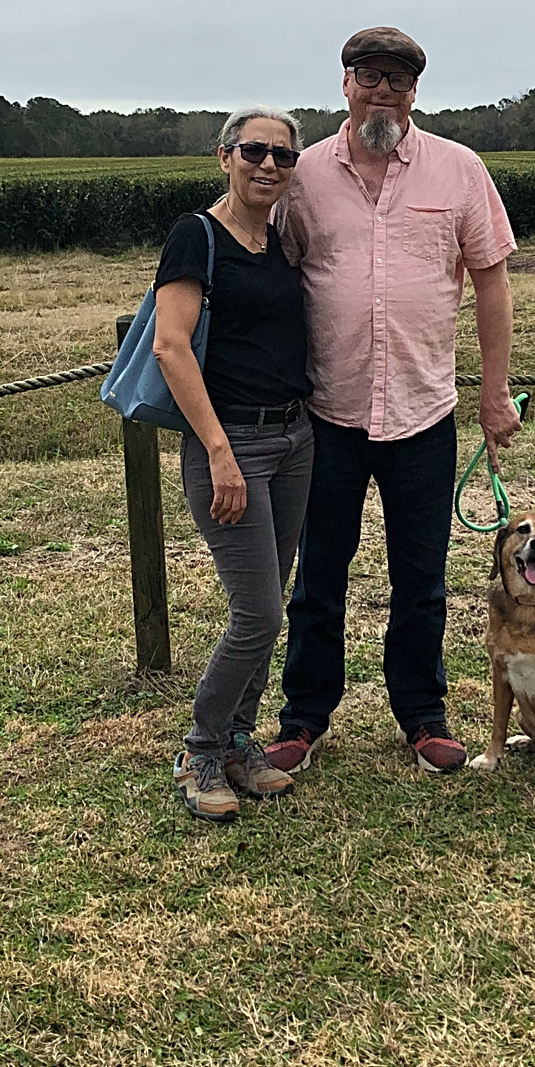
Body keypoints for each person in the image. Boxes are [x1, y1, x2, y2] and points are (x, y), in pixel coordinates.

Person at [264, 27, 522, 776]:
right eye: (369, 77)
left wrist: (494, 392)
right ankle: (304, 717)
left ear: (415, 92)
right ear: (345, 84)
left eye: (398, 81)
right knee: (318, 576)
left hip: (423, 412)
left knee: (421, 579)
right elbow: (276, 280)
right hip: (328, 413)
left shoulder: (460, 170)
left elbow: (491, 281)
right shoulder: (304, 176)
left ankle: (422, 714)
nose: (383, 92)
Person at [152, 106, 314, 822]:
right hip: (233, 444)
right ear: (225, 157)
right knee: (256, 613)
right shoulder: (197, 235)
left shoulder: (280, 240)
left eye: (283, 156)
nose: (268, 165)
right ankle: (200, 751)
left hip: (294, 440)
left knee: (269, 606)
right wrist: (219, 451)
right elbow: (170, 346)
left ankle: (239, 741)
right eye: (254, 151)